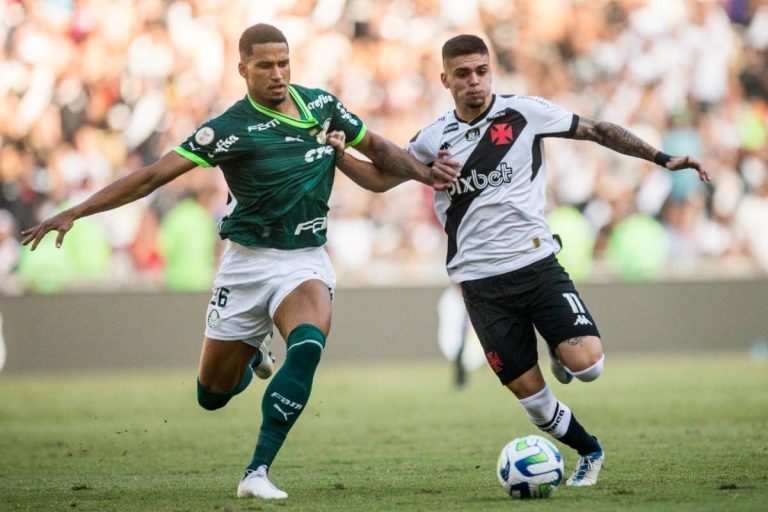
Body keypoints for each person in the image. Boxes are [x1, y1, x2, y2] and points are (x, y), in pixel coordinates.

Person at [21, 24, 456, 500]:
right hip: (247, 266)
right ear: (243, 69)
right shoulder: (228, 129)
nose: (278, 73)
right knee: (212, 395)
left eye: (284, 62)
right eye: (265, 65)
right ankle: (254, 356)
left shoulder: (322, 106)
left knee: (307, 346)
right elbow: (151, 177)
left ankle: (257, 472)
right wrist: (76, 211)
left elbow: (377, 150)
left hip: (304, 260)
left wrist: (426, 174)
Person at [329, 34, 710, 487]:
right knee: (532, 399)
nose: (475, 81)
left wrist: (662, 158)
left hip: (536, 265)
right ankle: (590, 451)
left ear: (491, 71)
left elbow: (598, 130)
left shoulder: (524, 112)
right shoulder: (432, 139)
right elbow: (379, 179)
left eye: (482, 71)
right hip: (480, 284)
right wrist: (340, 157)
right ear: (445, 80)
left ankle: (560, 352)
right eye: (463, 74)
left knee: (589, 366)